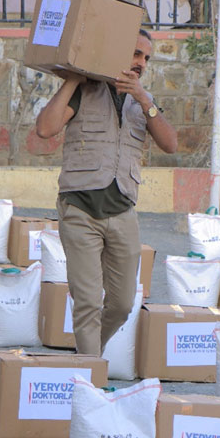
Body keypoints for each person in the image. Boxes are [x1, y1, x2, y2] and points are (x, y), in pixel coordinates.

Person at [35, 29, 177, 355]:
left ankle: (86, 359)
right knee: (87, 302)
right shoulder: (85, 89)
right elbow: (45, 129)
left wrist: (144, 99)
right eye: (136, 53)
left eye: (146, 58)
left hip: (122, 210)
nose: (141, 62)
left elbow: (170, 144)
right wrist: (72, 78)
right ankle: (90, 382)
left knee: (123, 303)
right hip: (80, 209)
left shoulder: (144, 101)